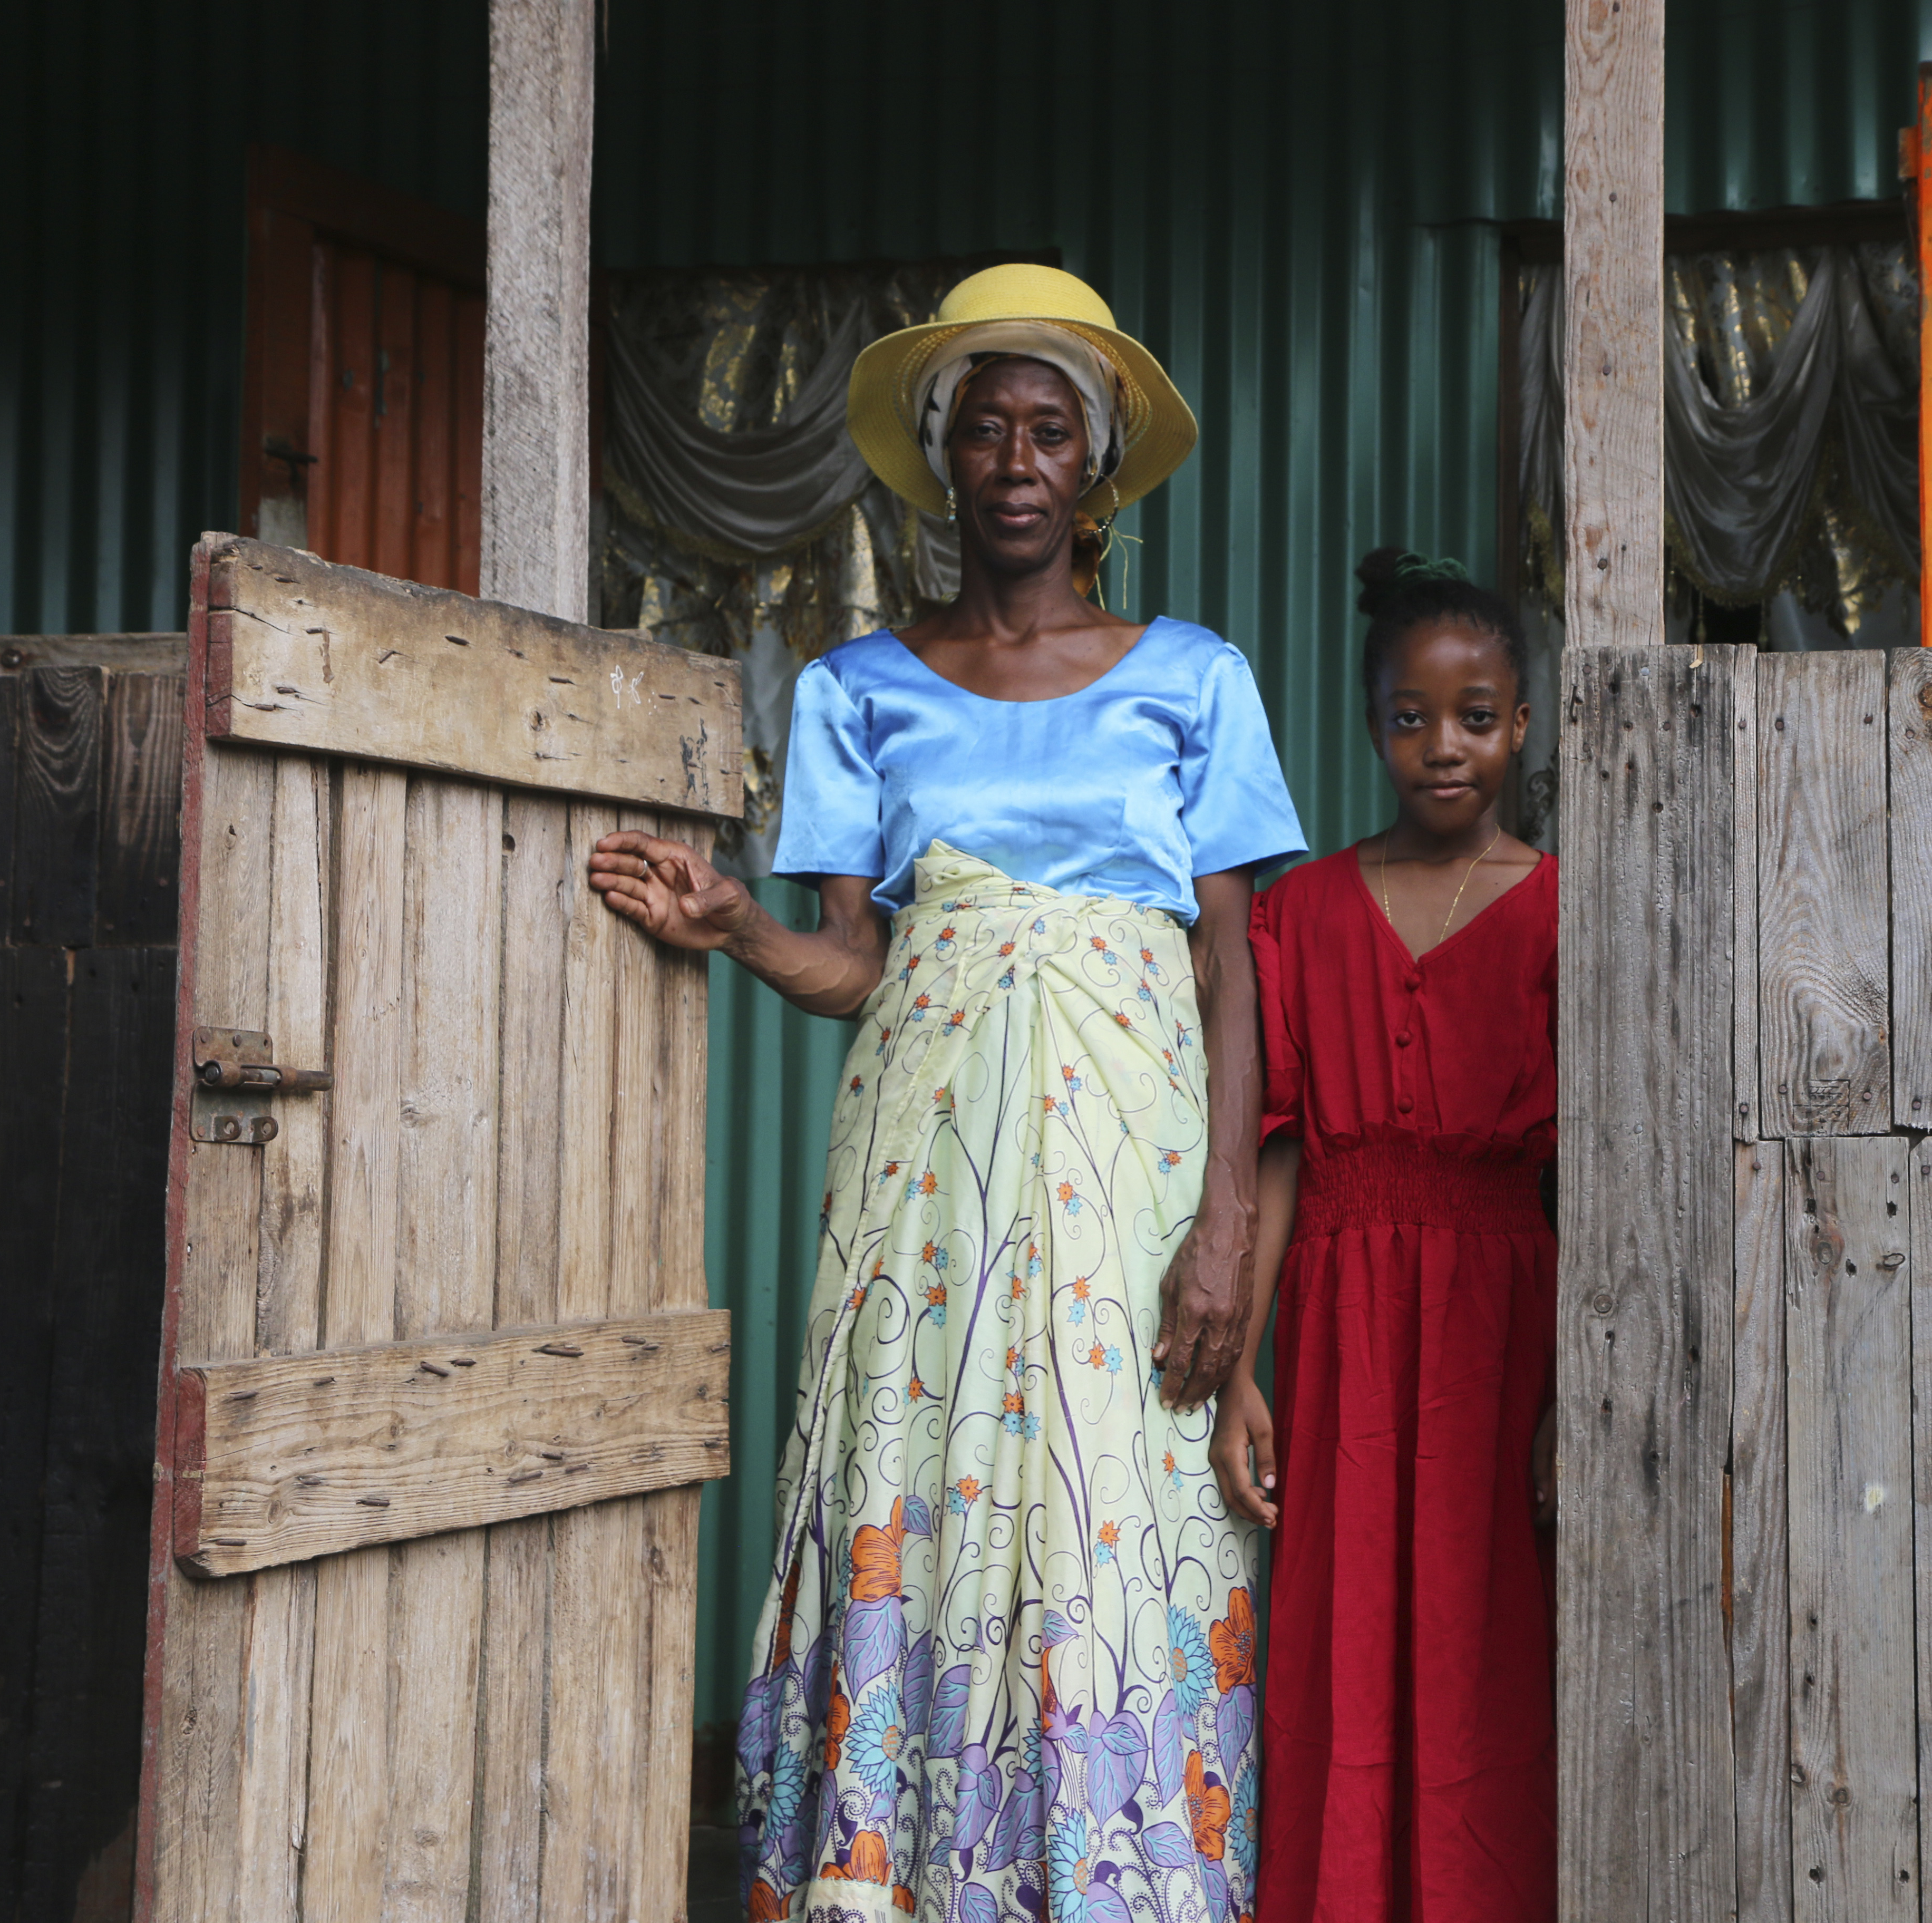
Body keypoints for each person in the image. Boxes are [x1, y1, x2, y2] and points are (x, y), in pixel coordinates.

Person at [589, 264, 1305, 1923]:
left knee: (1114, 1505)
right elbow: (863, 964)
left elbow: (1233, 967)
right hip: (928, 1196)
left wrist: (1228, 1235)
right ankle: (896, 1877)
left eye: (1051, 429)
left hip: (1131, 1193)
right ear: (943, 459)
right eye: (983, 430)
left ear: (1098, 465)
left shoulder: (1194, 678)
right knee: (920, 1487)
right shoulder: (859, 690)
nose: (1016, 458)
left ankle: (1117, 1878)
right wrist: (742, 928)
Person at [1209, 549, 1558, 1923]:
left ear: (1522, 725)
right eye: (1411, 717)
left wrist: (1570, 1404)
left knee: (1492, 1647)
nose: (1445, 746)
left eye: (1477, 715)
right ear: (1372, 728)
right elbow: (1282, 1155)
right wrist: (1242, 1366)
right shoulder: (1301, 912)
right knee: (1343, 1641)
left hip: (1506, 1326)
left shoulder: (1567, 906)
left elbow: (1596, 1178)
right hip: (1345, 1328)